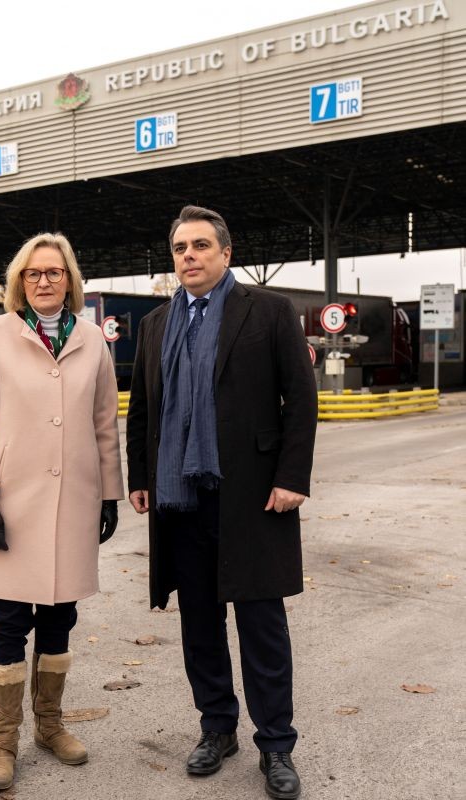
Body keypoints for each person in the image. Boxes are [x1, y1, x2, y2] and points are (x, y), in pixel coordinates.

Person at [126, 206, 317, 799]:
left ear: (226, 253)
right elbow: (143, 408)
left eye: (201, 245)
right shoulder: (156, 323)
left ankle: (276, 743)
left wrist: (292, 476)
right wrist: (140, 475)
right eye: (180, 247)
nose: (189, 256)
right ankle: (217, 728)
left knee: (262, 626)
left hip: (253, 495)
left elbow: (300, 397)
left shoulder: (268, 310)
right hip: (180, 501)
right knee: (199, 624)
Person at [0, 232, 124, 791]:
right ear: (20, 282)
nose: (44, 281)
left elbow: (104, 423)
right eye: (33, 273)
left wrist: (108, 494)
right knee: (7, 622)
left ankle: (50, 726)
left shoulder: (92, 340)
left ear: (69, 280)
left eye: (54, 272)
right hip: (11, 505)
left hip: (74, 501)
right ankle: (3, 741)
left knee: (59, 618)